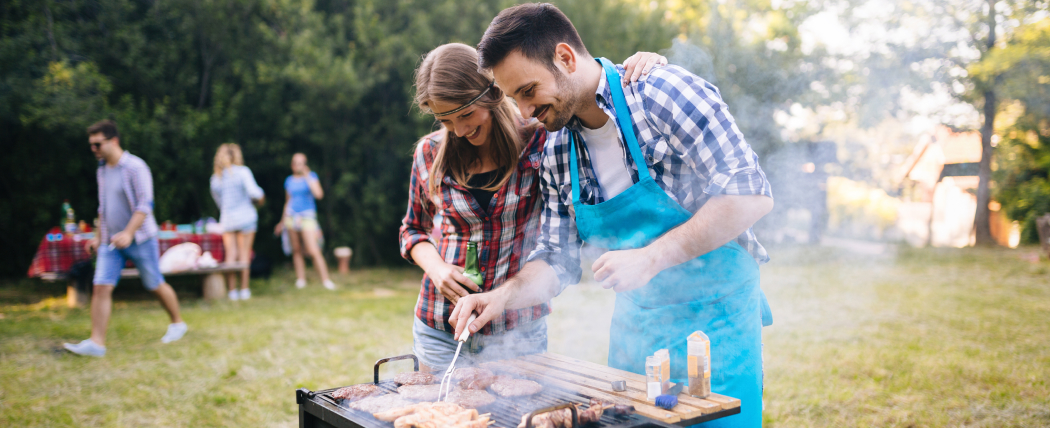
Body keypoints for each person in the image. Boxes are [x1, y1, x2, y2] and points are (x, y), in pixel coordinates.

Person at [451, 4, 774, 427]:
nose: (525, 113)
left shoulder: (663, 94)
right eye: (515, 99)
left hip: (715, 328)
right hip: (637, 331)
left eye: (528, 91)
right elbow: (556, 258)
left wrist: (652, 257)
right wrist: (501, 297)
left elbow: (750, 195)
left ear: (565, 58)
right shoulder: (554, 150)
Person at [401, 43, 667, 372]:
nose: (459, 130)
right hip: (441, 325)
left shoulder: (543, 141)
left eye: (466, 114)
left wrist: (639, 65)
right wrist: (438, 271)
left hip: (518, 330)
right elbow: (413, 229)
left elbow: (578, 83)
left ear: (492, 94)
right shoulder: (430, 152)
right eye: (445, 119)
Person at [64, 120, 187, 357]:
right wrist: (98, 237)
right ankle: (96, 343)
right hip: (112, 243)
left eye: (97, 144)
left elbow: (145, 204)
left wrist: (129, 233)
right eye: (91, 145)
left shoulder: (135, 167)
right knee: (101, 286)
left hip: (140, 238)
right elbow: (103, 207)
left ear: (114, 141)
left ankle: (177, 323)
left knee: (154, 284)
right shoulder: (101, 169)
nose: (94, 149)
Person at [210, 143, 265, 301]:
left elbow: (219, 202)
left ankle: (232, 291)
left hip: (228, 219)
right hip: (246, 218)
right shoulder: (243, 172)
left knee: (230, 255)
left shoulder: (216, 178)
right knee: (244, 255)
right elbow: (254, 192)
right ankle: (244, 290)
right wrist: (261, 197)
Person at [275, 153, 335, 290]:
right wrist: (281, 222)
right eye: (295, 163)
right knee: (296, 250)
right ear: (292, 165)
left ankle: (326, 280)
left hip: (307, 217)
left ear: (305, 164)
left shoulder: (312, 176)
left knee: (313, 250)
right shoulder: (289, 180)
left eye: (301, 163)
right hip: (291, 217)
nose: (298, 165)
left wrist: (307, 176)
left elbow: (319, 194)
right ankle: (301, 279)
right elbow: (287, 202)